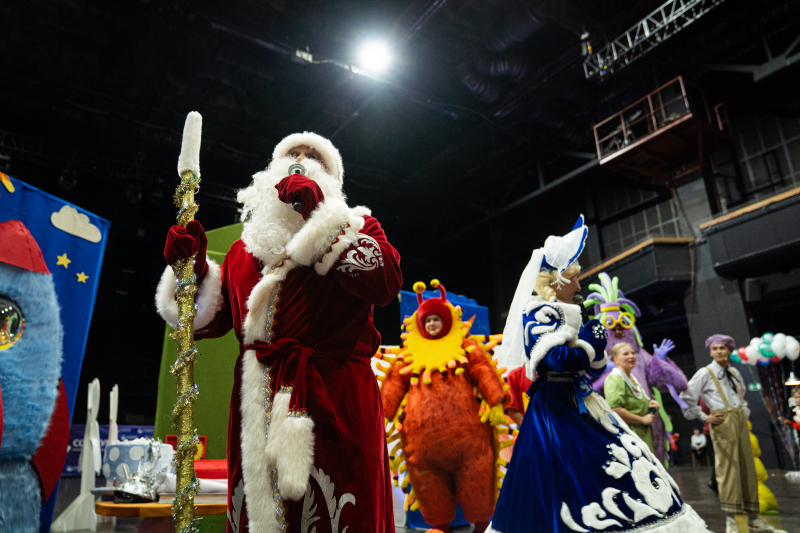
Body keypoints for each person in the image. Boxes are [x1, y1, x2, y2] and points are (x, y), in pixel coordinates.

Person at [156, 132, 402, 533]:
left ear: (332, 179)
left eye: (314, 157)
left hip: (336, 396)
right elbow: (207, 322)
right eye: (292, 153)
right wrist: (193, 272)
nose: (301, 160)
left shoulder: (358, 226)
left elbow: (385, 282)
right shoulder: (242, 250)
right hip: (256, 401)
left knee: (339, 507)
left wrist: (320, 217)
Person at [488, 216, 710, 533]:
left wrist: (593, 344)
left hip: (582, 401)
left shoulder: (570, 314)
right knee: (563, 478)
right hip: (556, 411)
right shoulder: (539, 313)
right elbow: (556, 360)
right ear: (557, 280)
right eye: (575, 278)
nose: (579, 285)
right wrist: (591, 343)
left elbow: (592, 367)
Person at [381, 280, 507, 533]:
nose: (431, 324)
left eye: (436, 319)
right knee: (429, 486)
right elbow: (393, 384)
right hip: (422, 445)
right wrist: (382, 415)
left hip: (469, 440)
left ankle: (483, 524)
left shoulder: (464, 346)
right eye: (427, 320)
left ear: (447, 320)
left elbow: (483, 370)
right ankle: (440, 526)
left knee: (478, 480)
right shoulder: (409, 353)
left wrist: (495, 401)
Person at [680, 334, 786, 533]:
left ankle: (754, 519)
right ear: (710, 352)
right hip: (722, 421)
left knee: (748, 469)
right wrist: (705, 417)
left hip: (739, 420)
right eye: (715, 348)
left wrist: (744, 414)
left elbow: (741, 395)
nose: (719, 351)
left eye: (722, 348)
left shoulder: (734, 372)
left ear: (729, 350)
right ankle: (731, 520)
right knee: (728, 471)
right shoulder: (705, 373)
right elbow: (686, 397)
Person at [585, 272, 689, 464]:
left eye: (622, 326)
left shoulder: (640, 356)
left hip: (649, 426)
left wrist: (659, 361)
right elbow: (592, 395)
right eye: (612, 327)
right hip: (624, 429)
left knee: (654, 467)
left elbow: (679, 384)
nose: (618, 331)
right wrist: (602, 371)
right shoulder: (597, 362)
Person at [604, 342, 660, 454]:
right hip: (630, 439)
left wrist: (649, 405)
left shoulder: (632, 378)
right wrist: (642, 420)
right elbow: (614, 410)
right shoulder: (615, 378)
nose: (631, 356)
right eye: (625, 354)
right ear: (615, 359)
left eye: (633, 353)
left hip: (641, 436)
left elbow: (634, 404)